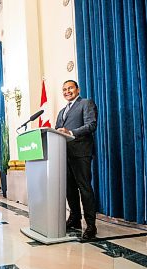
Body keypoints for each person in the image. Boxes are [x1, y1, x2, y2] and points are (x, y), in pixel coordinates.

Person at [55, 79, 98, 240]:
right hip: (63, 154)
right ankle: (75, 219)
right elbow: (58, 130)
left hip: (81, 153)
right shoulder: (61, 111)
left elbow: (91, 125)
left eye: (70, 88)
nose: (67, 91)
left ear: (78, 90)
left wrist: (71, 132)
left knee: (84, 188)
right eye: (64, 89)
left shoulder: (86, 103)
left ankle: (91, 225)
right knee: (69, 189)